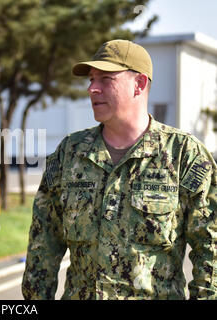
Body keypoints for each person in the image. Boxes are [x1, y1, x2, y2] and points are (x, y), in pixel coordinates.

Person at [22, 39, 217, 300]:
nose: (92, 88)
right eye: (91, 79)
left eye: (105, 79)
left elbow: (211, 249)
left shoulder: (184, 154)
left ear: (139, 84)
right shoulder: (70, 153)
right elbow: (42, 246)